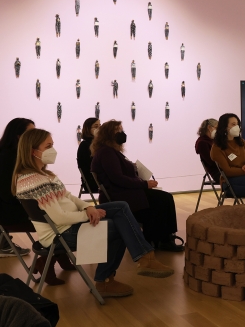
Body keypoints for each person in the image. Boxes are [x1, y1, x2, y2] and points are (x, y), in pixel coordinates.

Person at [13, 128, 173, 298]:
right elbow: (59, 218)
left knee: (121, 207)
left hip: (70, 223)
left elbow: (68, 196)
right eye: (48, 146)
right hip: (61, 233)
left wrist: (88, 207)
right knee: (120, 226)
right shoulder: (33, 181)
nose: (53, 150)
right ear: (33, 151)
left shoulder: (44, 175)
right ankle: (105, 280)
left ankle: (144, 258)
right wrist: (87, 214)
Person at [91, 120, 184, 252]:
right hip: (121, 195)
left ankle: (162, 238)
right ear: (109, 134)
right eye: (118, 131)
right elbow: (118, 178)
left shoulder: (110, 151)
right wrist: (144, 184)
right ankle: (161, 239)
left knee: (165, 198)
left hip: (125, 192)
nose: (121, 133)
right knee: (164, 199)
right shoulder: (107, 152)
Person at [0, 118, 35, 260]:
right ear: (18, 136)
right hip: (6, 213)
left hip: (13, 207)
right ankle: (50, 259)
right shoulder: (6, 160)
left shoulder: (18, 157)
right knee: (55, 219)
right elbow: (8, 195)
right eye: (31, 133)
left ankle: (55, 257)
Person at [77, 117, 100, 193]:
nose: (99, 128)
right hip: (93, 182)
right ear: (88, 129)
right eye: (96, 126)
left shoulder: (98, 144)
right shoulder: (85, 145)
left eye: (100, 126)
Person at [195, 119, 219, 183]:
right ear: (209, 127)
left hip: (222, 169)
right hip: (217, 172)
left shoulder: (213, 141)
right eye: (216, 128)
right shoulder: (202, 142)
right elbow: (211, 161)